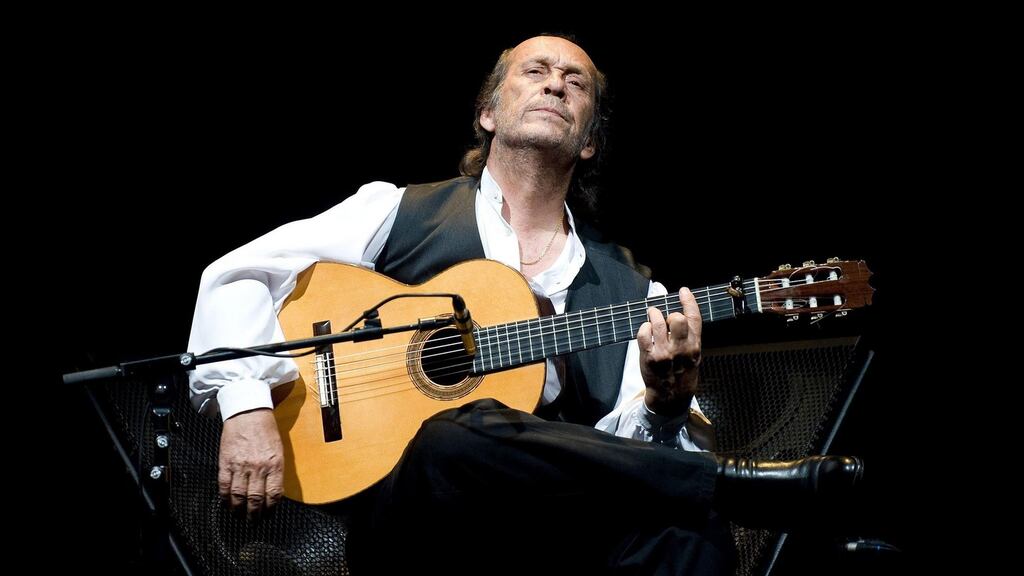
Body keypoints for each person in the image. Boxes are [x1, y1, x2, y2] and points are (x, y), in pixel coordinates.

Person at [187, 35, 863, 575]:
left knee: (691, 529)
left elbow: (624, 460)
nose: (555, 84)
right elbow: (237, 275)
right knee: (457, 430)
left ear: (588, 140)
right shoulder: (397, 212)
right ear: (489, 113)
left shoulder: (636, 294)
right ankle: (724, 480)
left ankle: (710, 490)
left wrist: (664, 404)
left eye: (576, 83)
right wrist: (246, 405)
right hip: (418, 527)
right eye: (535, 71)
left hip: (561, 543)